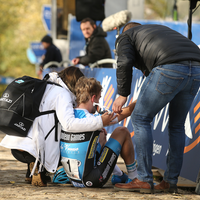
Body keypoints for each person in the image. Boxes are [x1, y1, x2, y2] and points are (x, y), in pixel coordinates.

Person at [112, 22, 200, 194]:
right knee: (177, 125)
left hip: (171, 65)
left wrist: (122, 94)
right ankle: (170, 181)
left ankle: (144, 179)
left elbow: (124, 61)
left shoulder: (126, 36)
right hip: (197, 67)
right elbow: (151, 84)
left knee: (140, 119)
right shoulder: (156, 33)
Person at [0, 66, 114, 187]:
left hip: (16, 145)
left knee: (44, 127)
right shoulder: (62, 93)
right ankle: (39, 167)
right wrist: (100, 122)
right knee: (70, 143)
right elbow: (69, 124)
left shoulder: (45, 86)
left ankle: (32, 171)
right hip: (34, 148)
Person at [60, 76, 138, 188]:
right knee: (122, 131)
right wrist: (140, 99)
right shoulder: (93, 119)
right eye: (98, 99)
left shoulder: (68, 116)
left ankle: (118, 174)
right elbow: (122, 115)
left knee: (101, 134)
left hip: (74, 180)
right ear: (93, 98)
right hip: (92, 180)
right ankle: (134, 177)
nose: (98, 102)